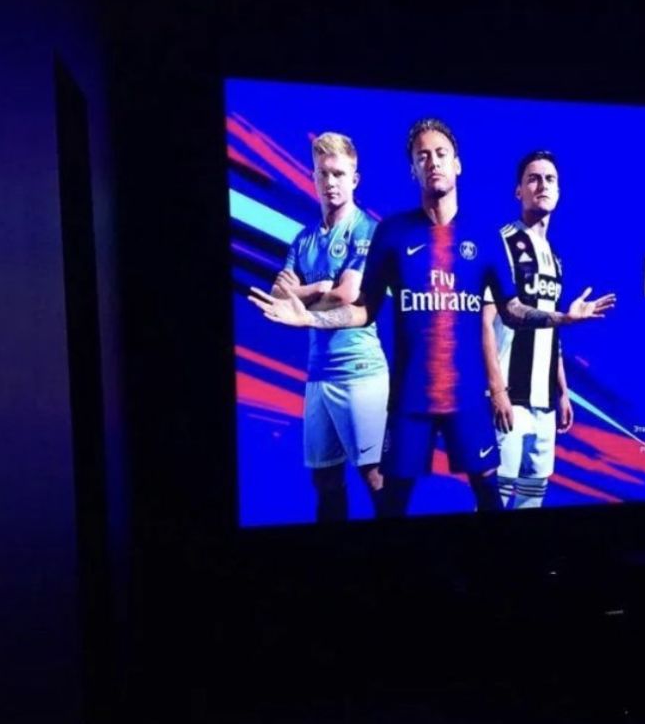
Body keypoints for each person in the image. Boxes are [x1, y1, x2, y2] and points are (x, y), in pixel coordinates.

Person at [249, 119, 614, 516]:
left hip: (467, 398)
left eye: (441, 154)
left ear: (457, 164)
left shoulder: (484, 237)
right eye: (422, 156)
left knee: (489, 498)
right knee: (391, 503)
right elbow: (364, 309)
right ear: (413, 169)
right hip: (410, 400)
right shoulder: (392, 233)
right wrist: (311, 320)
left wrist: (562, 318)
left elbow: (511, 310)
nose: (433, 162)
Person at [268, 132, 387, 522]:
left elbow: (348, 293)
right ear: (313, 177)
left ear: (355, 178)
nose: (331, 182)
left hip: (359, 371)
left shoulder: (365, 229)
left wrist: (304, 295)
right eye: (323, 173)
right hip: (318, 374)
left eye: (339, 173)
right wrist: (318, 287)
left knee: (375, 477)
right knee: (325, 479)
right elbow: (278, 294)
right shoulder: (304, 238)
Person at [481, 150, 575, 509]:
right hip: (509, 397)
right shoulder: (503, 243)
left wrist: (562, 392)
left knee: (532, 499)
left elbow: (551, 332)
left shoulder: (555, 257)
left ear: (559, 190)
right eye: (533, 179)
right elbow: (485, 321)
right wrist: (497, 390)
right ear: (518, 191)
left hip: (545, 402)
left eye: (550, 179)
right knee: (496, 498)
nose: (542, 186)